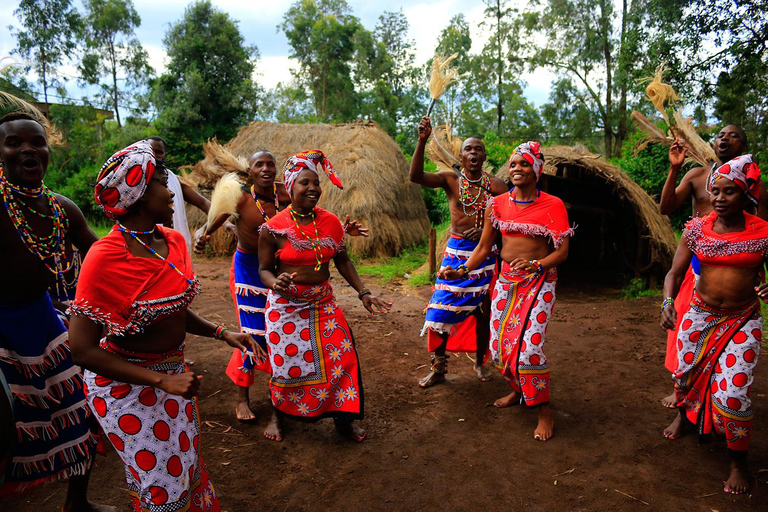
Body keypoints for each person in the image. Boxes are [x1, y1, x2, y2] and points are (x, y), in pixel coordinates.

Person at [68, 140, 265, 511]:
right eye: (162, 182)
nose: (172, 189)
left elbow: (172, 309)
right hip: (124, 387)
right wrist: (161, 380)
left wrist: (222, 333)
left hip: (173, 378)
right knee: (163, 483)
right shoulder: (105, 258)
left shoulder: (172, 241)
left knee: (183, 467)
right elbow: (82, 349)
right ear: (138, 194)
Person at [0, 94, 109, 511]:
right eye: (13, 143)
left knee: (84, 412)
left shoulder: (63, 210)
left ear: (48, 152)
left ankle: (77, 503)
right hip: (1, 328)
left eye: (36, 142)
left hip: (45, 323)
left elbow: (100, 258)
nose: (27, 149)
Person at [440, 142, 573, 442]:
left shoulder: (553, 206)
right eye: (513, 164)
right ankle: (517, 390)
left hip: (540, 283)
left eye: (523, 164)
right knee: (500, 348)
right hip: (506, 283)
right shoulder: (497, 204)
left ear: (536, 170)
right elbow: (485, 247)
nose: (516, 169)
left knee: (528, 351)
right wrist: (461, 270)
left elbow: (563, 251)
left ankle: (543, 412)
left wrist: (539, 265)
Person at [258, 150, 391, 442]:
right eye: (305, 183)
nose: (313, 188)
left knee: (343, 359)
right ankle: (278, 415)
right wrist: (274, 282)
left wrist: (363, 292)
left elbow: (342, 260)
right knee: (285, 365)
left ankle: (344, 421)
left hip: (322, 303)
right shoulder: (273, 227)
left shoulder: (330, 221)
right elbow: (264, 269)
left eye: (316, 183)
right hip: (286, 307)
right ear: (290, 186)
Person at [660, 153, 766, 495]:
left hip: (742, 320)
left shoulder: (763, 232)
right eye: (715, 191)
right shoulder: (696, 228)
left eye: (729, 192)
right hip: (699, 316)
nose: (719, 198)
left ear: (745, 194)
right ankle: (685, 416)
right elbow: (674, 273)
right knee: (685, 375)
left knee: (734, 394)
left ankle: (738, 463)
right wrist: (666, 302)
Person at [658, 125, 767, 408]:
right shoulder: (697, 177)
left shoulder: (754, 184)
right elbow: (666, 207)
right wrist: (674, 169)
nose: (725, 139)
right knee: (683, 329)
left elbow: (761, 227)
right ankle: (684, 399)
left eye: (734, 136)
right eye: (721, 135)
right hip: (698, 260)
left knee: (730, 358)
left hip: (741, 260)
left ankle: (723, 396)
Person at [409, 117, 508, 387]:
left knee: (483, 311)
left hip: (485, 255)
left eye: (478, 149)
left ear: (484, 156)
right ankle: (439, 368)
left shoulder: (497, 187)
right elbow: (415, 176)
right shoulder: (450, 180)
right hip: (455, 254)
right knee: (439, 310)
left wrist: (490, 232)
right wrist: (422, 140)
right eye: (468, 149)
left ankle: (479, 363)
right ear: (461, 156)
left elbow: (509, 222)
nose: (473, 152)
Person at [146, 136, 234, 256]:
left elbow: (204, 203)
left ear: (165, 155)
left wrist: (225, 222)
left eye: (159, 152)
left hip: (177, 245)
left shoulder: (175, 181)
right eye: (151, 151)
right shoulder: (136, 183)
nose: (155, 156)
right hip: (148, 245)